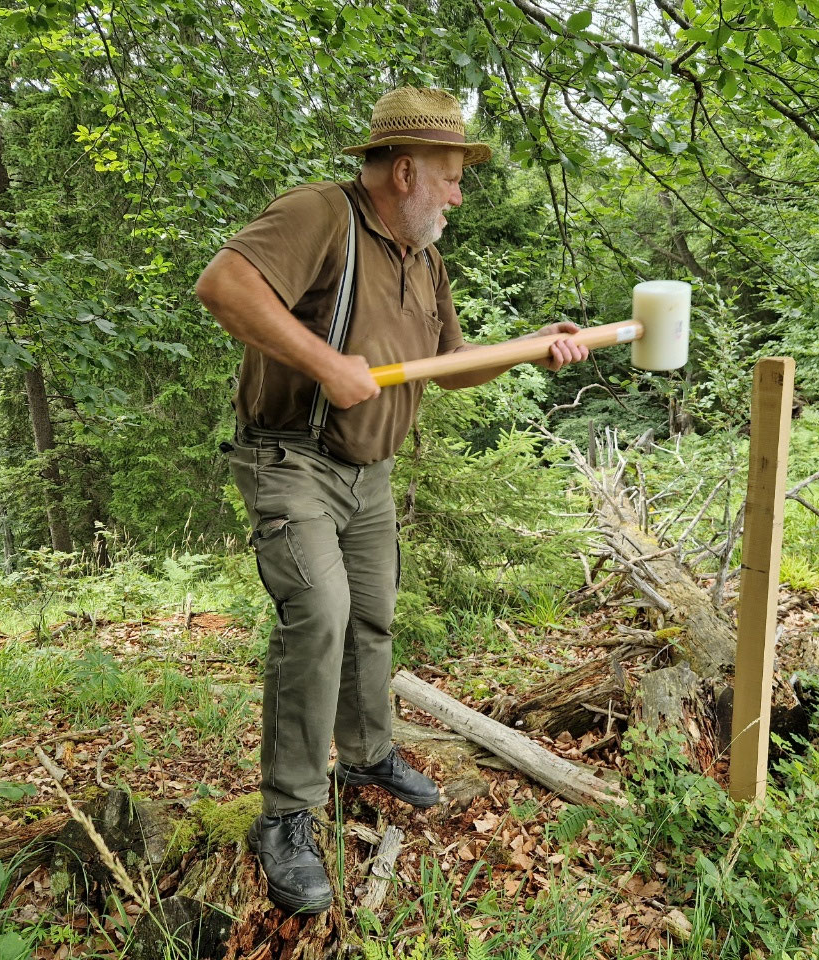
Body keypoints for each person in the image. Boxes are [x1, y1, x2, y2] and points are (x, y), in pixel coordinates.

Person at [194, 86, 588, 915]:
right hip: (290, 459)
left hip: (369, 474)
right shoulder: (320, 216)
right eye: (450, 177)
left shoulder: (424, 258)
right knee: (322, 613)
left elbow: (452, 361)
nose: (457, 194)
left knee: (373, 614)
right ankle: (286, 816)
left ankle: (369, 753)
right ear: (404, 171)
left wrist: (529, 350)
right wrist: (325, 362)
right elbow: (225, 285)